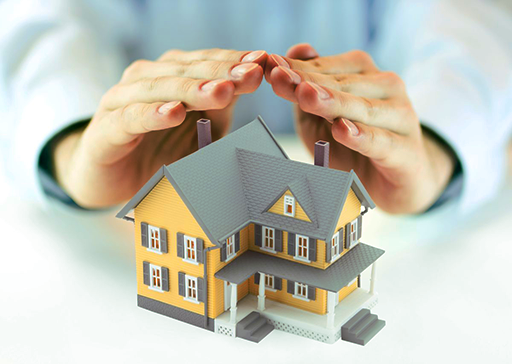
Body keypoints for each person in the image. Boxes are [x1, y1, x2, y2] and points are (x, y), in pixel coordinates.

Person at [0, 0, 511, 215]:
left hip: (364, 166)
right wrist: (70, 143)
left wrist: (437, 148)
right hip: (141, 166)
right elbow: (47, 16)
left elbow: (465, 18)